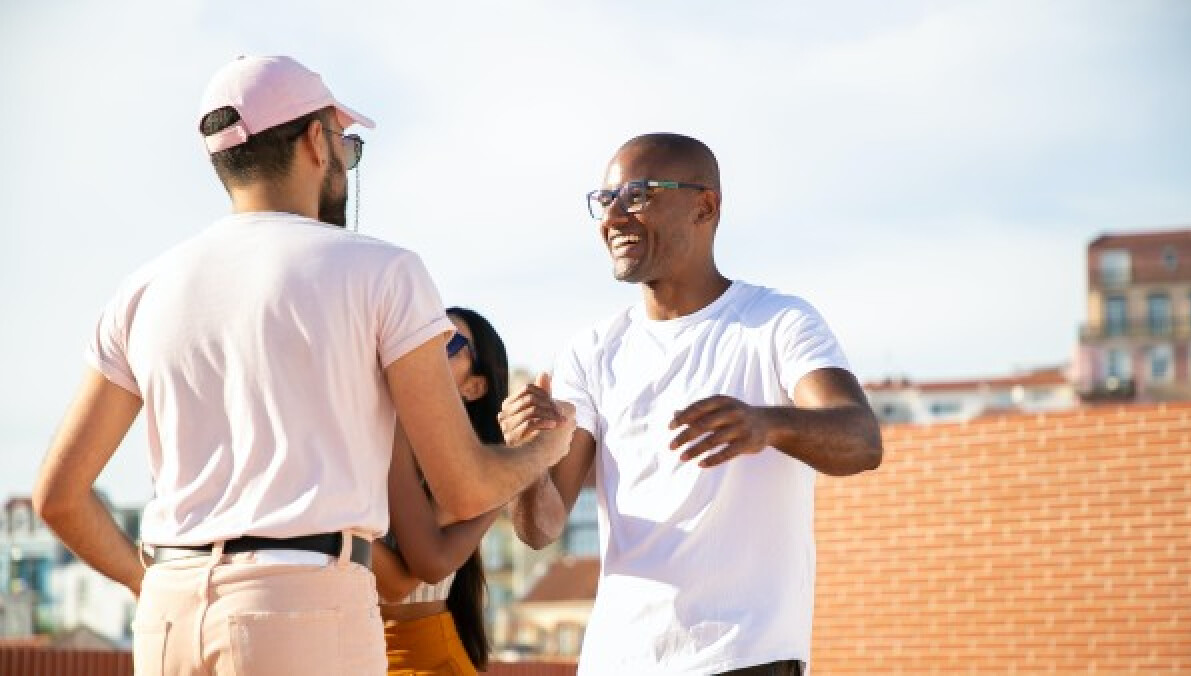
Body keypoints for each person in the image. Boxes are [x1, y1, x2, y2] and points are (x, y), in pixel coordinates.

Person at [32, 56, 573, 676]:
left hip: (168, 614)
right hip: (301, 607)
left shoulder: (144, 288)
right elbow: (465, 485)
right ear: (317, 141)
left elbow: (59, 497)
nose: (346, 160)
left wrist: (147, 583)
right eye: (347, 143)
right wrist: (546, 450)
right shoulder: (382, 270)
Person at [500, 133, 883, 675]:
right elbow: (541, 529)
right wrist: (526, 459)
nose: (615, 215)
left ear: (705, 206)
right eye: (605, 199)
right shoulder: (591, 350)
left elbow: (861, 440)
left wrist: (766, 424)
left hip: (742, 657)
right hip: (618, 661)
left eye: (638, 195)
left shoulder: (776, 322)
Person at [372, 307, 506, 675]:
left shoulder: (472, 470)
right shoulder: (368, 436)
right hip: (349, 645)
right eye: (422, 335)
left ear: (474, 387)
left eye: (450, 343)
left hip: (419, 656)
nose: (426, 348)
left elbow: (403, 577)